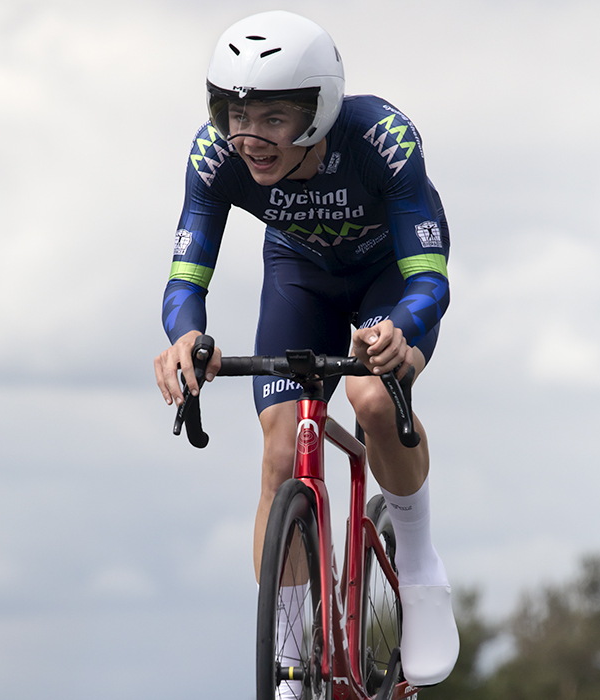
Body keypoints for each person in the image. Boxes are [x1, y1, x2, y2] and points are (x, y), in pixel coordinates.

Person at [154, 10, 459, 688]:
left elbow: (430, 276)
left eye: (271, 118)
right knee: (281, 447)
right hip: (301, 275)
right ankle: (292, 666)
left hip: (391, 274)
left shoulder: (382, 137)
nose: (248, 138)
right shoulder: (214, 160)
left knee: (373, 397)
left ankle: (418, 566)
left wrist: (401, 329)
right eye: (235, 115)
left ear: (318, 113)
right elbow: (186, 276)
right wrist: (186, 338)